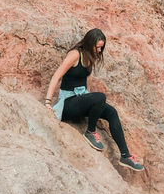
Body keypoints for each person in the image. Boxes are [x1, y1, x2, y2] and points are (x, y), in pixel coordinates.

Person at [45, 28, 144, 171]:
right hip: (68, 103)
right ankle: (90, 132)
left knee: (111, 112)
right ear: (89, 43)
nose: (99, 50)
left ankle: (125, 156)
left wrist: (91, 103)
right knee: (100, 97)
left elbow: (86, 83)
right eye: (97, 47)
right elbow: (56, 77)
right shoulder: (74, 55)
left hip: (81, 99)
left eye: (101, 48)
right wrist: (48, 102)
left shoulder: (90, 57)